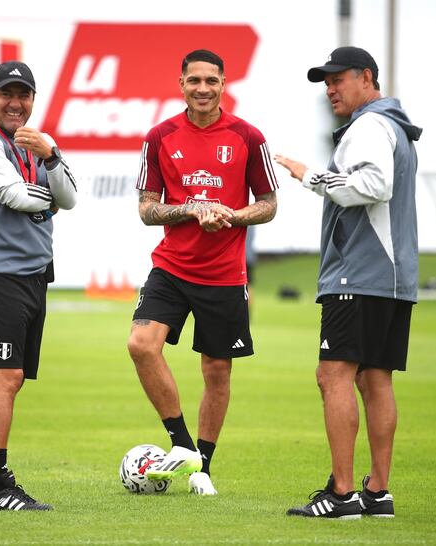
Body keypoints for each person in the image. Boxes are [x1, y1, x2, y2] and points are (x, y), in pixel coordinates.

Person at [275, 46, 421, 519]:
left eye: (338, 80)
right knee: (375, 379)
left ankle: (341, 495)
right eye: (326, 82)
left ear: (367, 77)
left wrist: (310, 176)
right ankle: (377, 493)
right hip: (393, 277)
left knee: (332, 375)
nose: (330, 89)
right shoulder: (394, 125)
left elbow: (375, 185)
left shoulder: (370, 126)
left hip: (357, 273)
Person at [128, 49, 278, 496]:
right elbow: (146, 209)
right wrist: (191, 211)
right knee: (140, 344)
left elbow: (269, 205)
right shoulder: (160, 137)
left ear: (223, 84)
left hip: (225, 274)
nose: (203, 89)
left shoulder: (248, 137)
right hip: (171, 268)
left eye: (211, 81)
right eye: (194, 81)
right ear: (181, 85)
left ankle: (202, 469)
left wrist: (230, 216)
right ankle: (181, 445)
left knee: (216, 371)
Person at [0, 61, 78, 511]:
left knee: (5, 381)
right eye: (6, 94)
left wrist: (51, 158)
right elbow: (18, 196)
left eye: (23, 95)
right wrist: (49, 183)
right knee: (3, 377)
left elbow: (70, 198)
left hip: (33, 274)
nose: (15, 103)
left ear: (32, 100)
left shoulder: (37, 144)